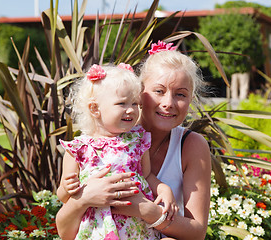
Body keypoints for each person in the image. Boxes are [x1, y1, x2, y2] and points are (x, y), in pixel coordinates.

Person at [56, 41, 211, 240]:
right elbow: (65, 232)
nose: (168, 103)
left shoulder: (191, 145)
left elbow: (197, 233)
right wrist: (84, 198)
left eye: (180, 94)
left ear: (190, 99)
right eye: (159, 91)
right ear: (139, 91)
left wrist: (145, 209)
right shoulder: (93, 145)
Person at [56, 63, 178, 240]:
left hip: (135, 226)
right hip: (97, 228)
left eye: (135, 103)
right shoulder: (79, 148)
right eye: (122, 103)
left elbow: (147, 175)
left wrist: (164, 190)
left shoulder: (137, 140)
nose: (131, 110)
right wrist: (68, 188)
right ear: (94, 109)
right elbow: (63, 196)